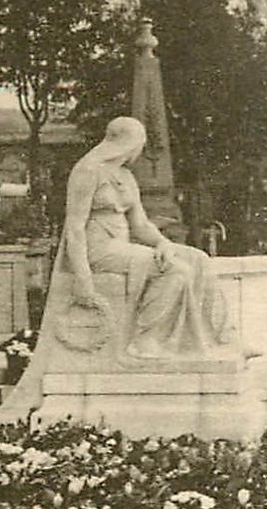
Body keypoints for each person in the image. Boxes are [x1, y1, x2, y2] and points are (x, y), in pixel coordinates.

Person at [62, 116, 235, 359]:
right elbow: (74, 227)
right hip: (98, 250)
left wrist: (164, 243)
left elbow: (140, 225)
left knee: (199, 259)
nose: (141, 150)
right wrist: (82, 277)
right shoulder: (88, 171)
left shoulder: (125, 176)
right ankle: (146, 340)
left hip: (121, 247)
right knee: (174, 269)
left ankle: (221, 337)